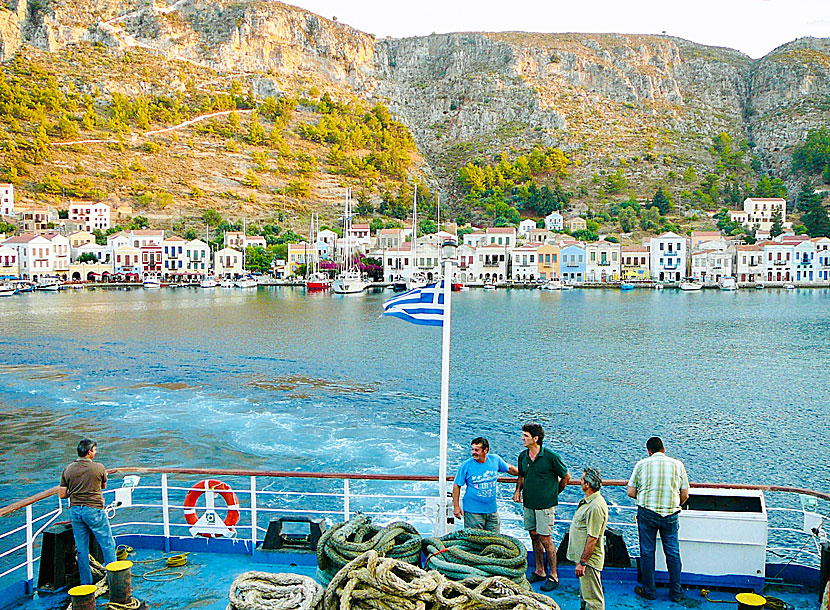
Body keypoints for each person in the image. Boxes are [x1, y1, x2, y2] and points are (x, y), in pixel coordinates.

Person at [627, 436, 690, 602]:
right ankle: (676, 593)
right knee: (673, 553)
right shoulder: (678, 465)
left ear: (649, 451)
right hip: (670, 514)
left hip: (647, 513)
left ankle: (649, 591)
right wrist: (676, 504)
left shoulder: (641, 464)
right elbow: (685, 494)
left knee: (647, 552)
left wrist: (644, 499)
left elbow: (630, 492)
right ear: (664, 449)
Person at [513, 423, 570, 592]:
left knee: (546, 539)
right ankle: (540, 570)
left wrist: (554, 494)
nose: (522, 438)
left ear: (535, 438)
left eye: (525, 435)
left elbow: (566, 476)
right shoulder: (523, 456)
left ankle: (554, 575)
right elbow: (522, 476)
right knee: (533, 536)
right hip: (529, 503)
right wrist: (518, 491)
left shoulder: (550, 456)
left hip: (545, 505)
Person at [58, 439, 117, 585]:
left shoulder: (68, 469)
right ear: (89, 452)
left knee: (81, 549)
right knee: (107, 544)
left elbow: (62, 494)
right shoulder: (99, 468)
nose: (95, 453)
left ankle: (86, 584)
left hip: (76, 511)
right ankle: (113, 581)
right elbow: (103, 485)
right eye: (95, 450)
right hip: (94, 510)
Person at [452, 437, 518, 532]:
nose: (473, 452)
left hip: (491, 510)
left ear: (485, 450)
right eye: (472, 449)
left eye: (476, 450)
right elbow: (457, 485)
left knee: (495, 541)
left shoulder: (495, 460)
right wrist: (456, 507)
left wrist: (524, 472)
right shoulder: (465, 466)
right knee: (475, 541)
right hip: (473, 512)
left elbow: (509, 468)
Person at [567, 468, 609, 610]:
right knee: (585, 594)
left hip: (589, 562)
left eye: (582, 480)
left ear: (588, 485)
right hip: (584, 559)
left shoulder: (595, 507)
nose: (580, 482)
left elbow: (593, 538)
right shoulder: (590, 502)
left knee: (593, 599)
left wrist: (583, 563)